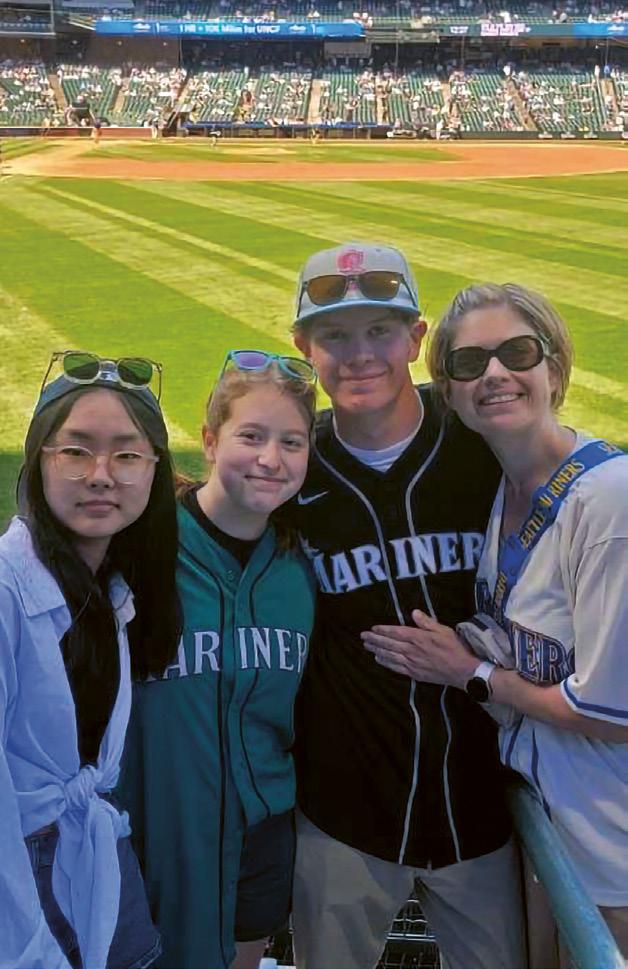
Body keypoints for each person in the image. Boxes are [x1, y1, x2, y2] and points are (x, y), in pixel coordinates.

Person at [363, 282, 628, 959]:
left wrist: (470, 672)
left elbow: (612, 710)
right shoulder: (504, 490)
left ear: (555, 368)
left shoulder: (609, 502)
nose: (496, 374)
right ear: (448, 392)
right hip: (555, 840)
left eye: (518, 353)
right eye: (469, 362)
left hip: (617, 856)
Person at [289, 244, 525, 969]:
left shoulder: (485, 444)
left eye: (380, 331)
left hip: (482, 809)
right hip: (344, 816)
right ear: (303, 347)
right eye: (334, 335)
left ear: (417, 339)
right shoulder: (290, 467)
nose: (359, 354)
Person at [117, 351, 318, 969]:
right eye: (250, 436)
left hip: (261, 833)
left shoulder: (302, 567)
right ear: (208, 440)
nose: (270, 459)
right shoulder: (137, 545)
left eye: (292, 442)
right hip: (148, 830)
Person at [0, 350, 180, 969]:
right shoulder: (6, 590)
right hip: (24, 872)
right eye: (75, 451)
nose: (101, 475)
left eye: (127, 455)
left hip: (97, 853)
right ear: (39, 461)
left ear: (155, 470)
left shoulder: (113, 587)